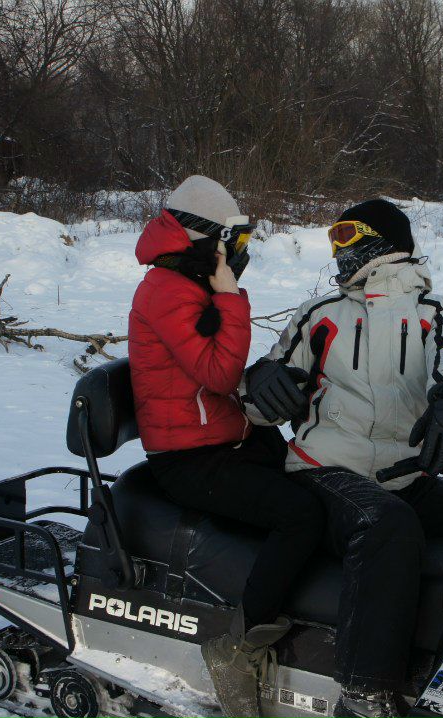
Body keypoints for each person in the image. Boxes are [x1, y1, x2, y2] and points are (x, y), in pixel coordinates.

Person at [242, 199, 443, 718]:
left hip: (405, 473)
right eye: (333, 237)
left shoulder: (439, 312)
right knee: (387, 524)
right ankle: (365, 698)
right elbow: (260, 403)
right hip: (323, 471)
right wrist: (259, 379)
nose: (338, 248)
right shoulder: (321, 315)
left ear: (386, 239)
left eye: (348, 234)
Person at [128, 175, 326, 718]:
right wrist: (230, 297)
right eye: (233, 245)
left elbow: (223, 373)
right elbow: (218, 373)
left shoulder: (185, 285)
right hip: (188, 457)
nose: (240, 256)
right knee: (300, 514)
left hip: (227, 436)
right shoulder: (165, 290)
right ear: (206, 243)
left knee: (319, 478)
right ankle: (243, 648)